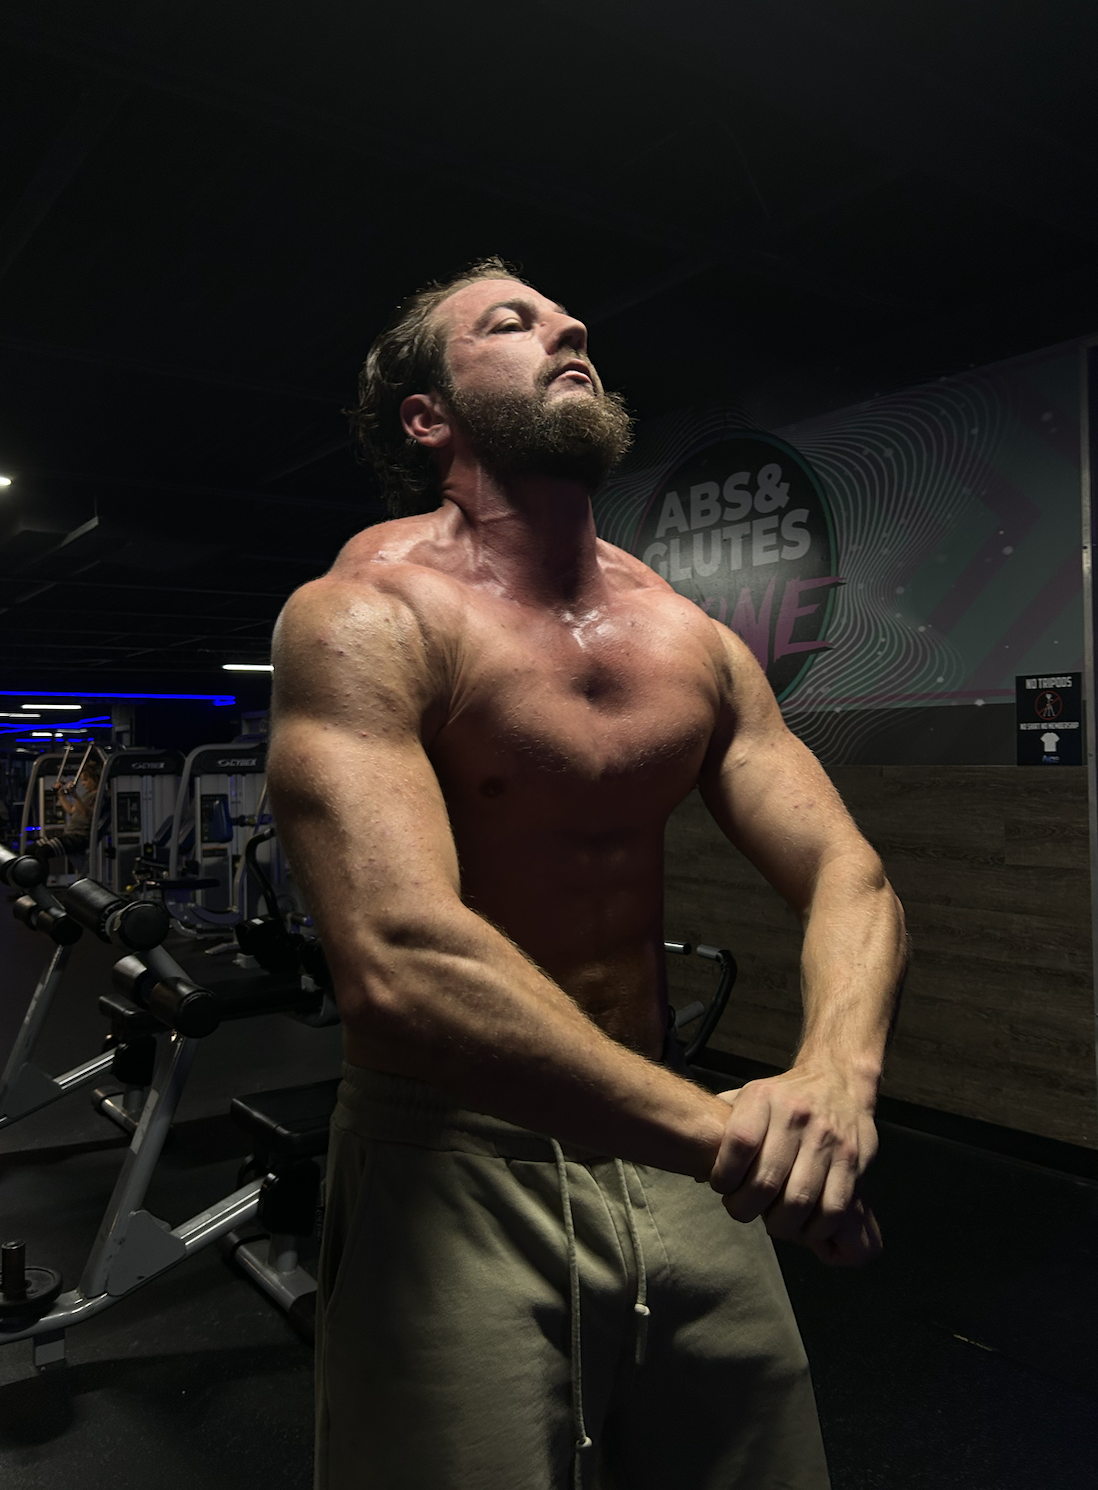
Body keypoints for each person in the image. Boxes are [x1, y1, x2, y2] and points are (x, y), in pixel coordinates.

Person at [267, 257, 908, 1490]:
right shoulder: (366, 616)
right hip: (451, 1156)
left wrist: (836, 1077)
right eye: (511, 324)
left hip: (677, 1147)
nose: (566, 333)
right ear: (428, 416)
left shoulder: (689, 636)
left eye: (569, 323)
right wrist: (739, 1142)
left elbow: (850, 873)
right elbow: (401, 959)